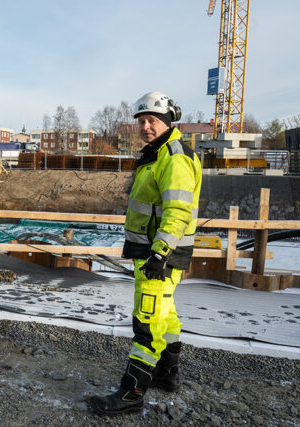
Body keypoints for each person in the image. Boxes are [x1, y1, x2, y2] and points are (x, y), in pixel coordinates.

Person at [88, 92, 202, 415]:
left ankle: (131, 394)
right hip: (157, 254)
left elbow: (177, 211)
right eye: (141, 121)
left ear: (167, 122)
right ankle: (167, 374)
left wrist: (159, 253)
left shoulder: (173, 158)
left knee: (147, 323)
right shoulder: (159, 153)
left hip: (159, 258)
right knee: (166, 318)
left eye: (152, 120)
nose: (145, 127)